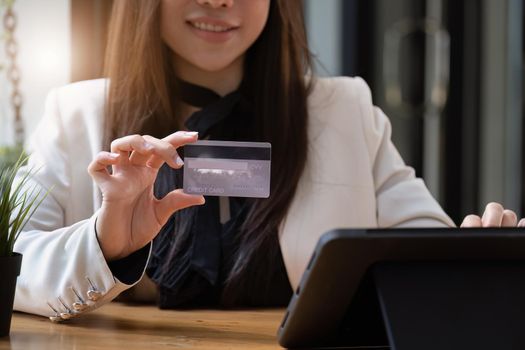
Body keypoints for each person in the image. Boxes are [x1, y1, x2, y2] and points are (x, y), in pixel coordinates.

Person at [13, 0, 521, 320]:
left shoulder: (345, 110)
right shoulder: (74, 112)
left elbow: (425, 252)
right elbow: (14, 268)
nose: (219, 1)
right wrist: (105, 243)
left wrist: (480, 253)